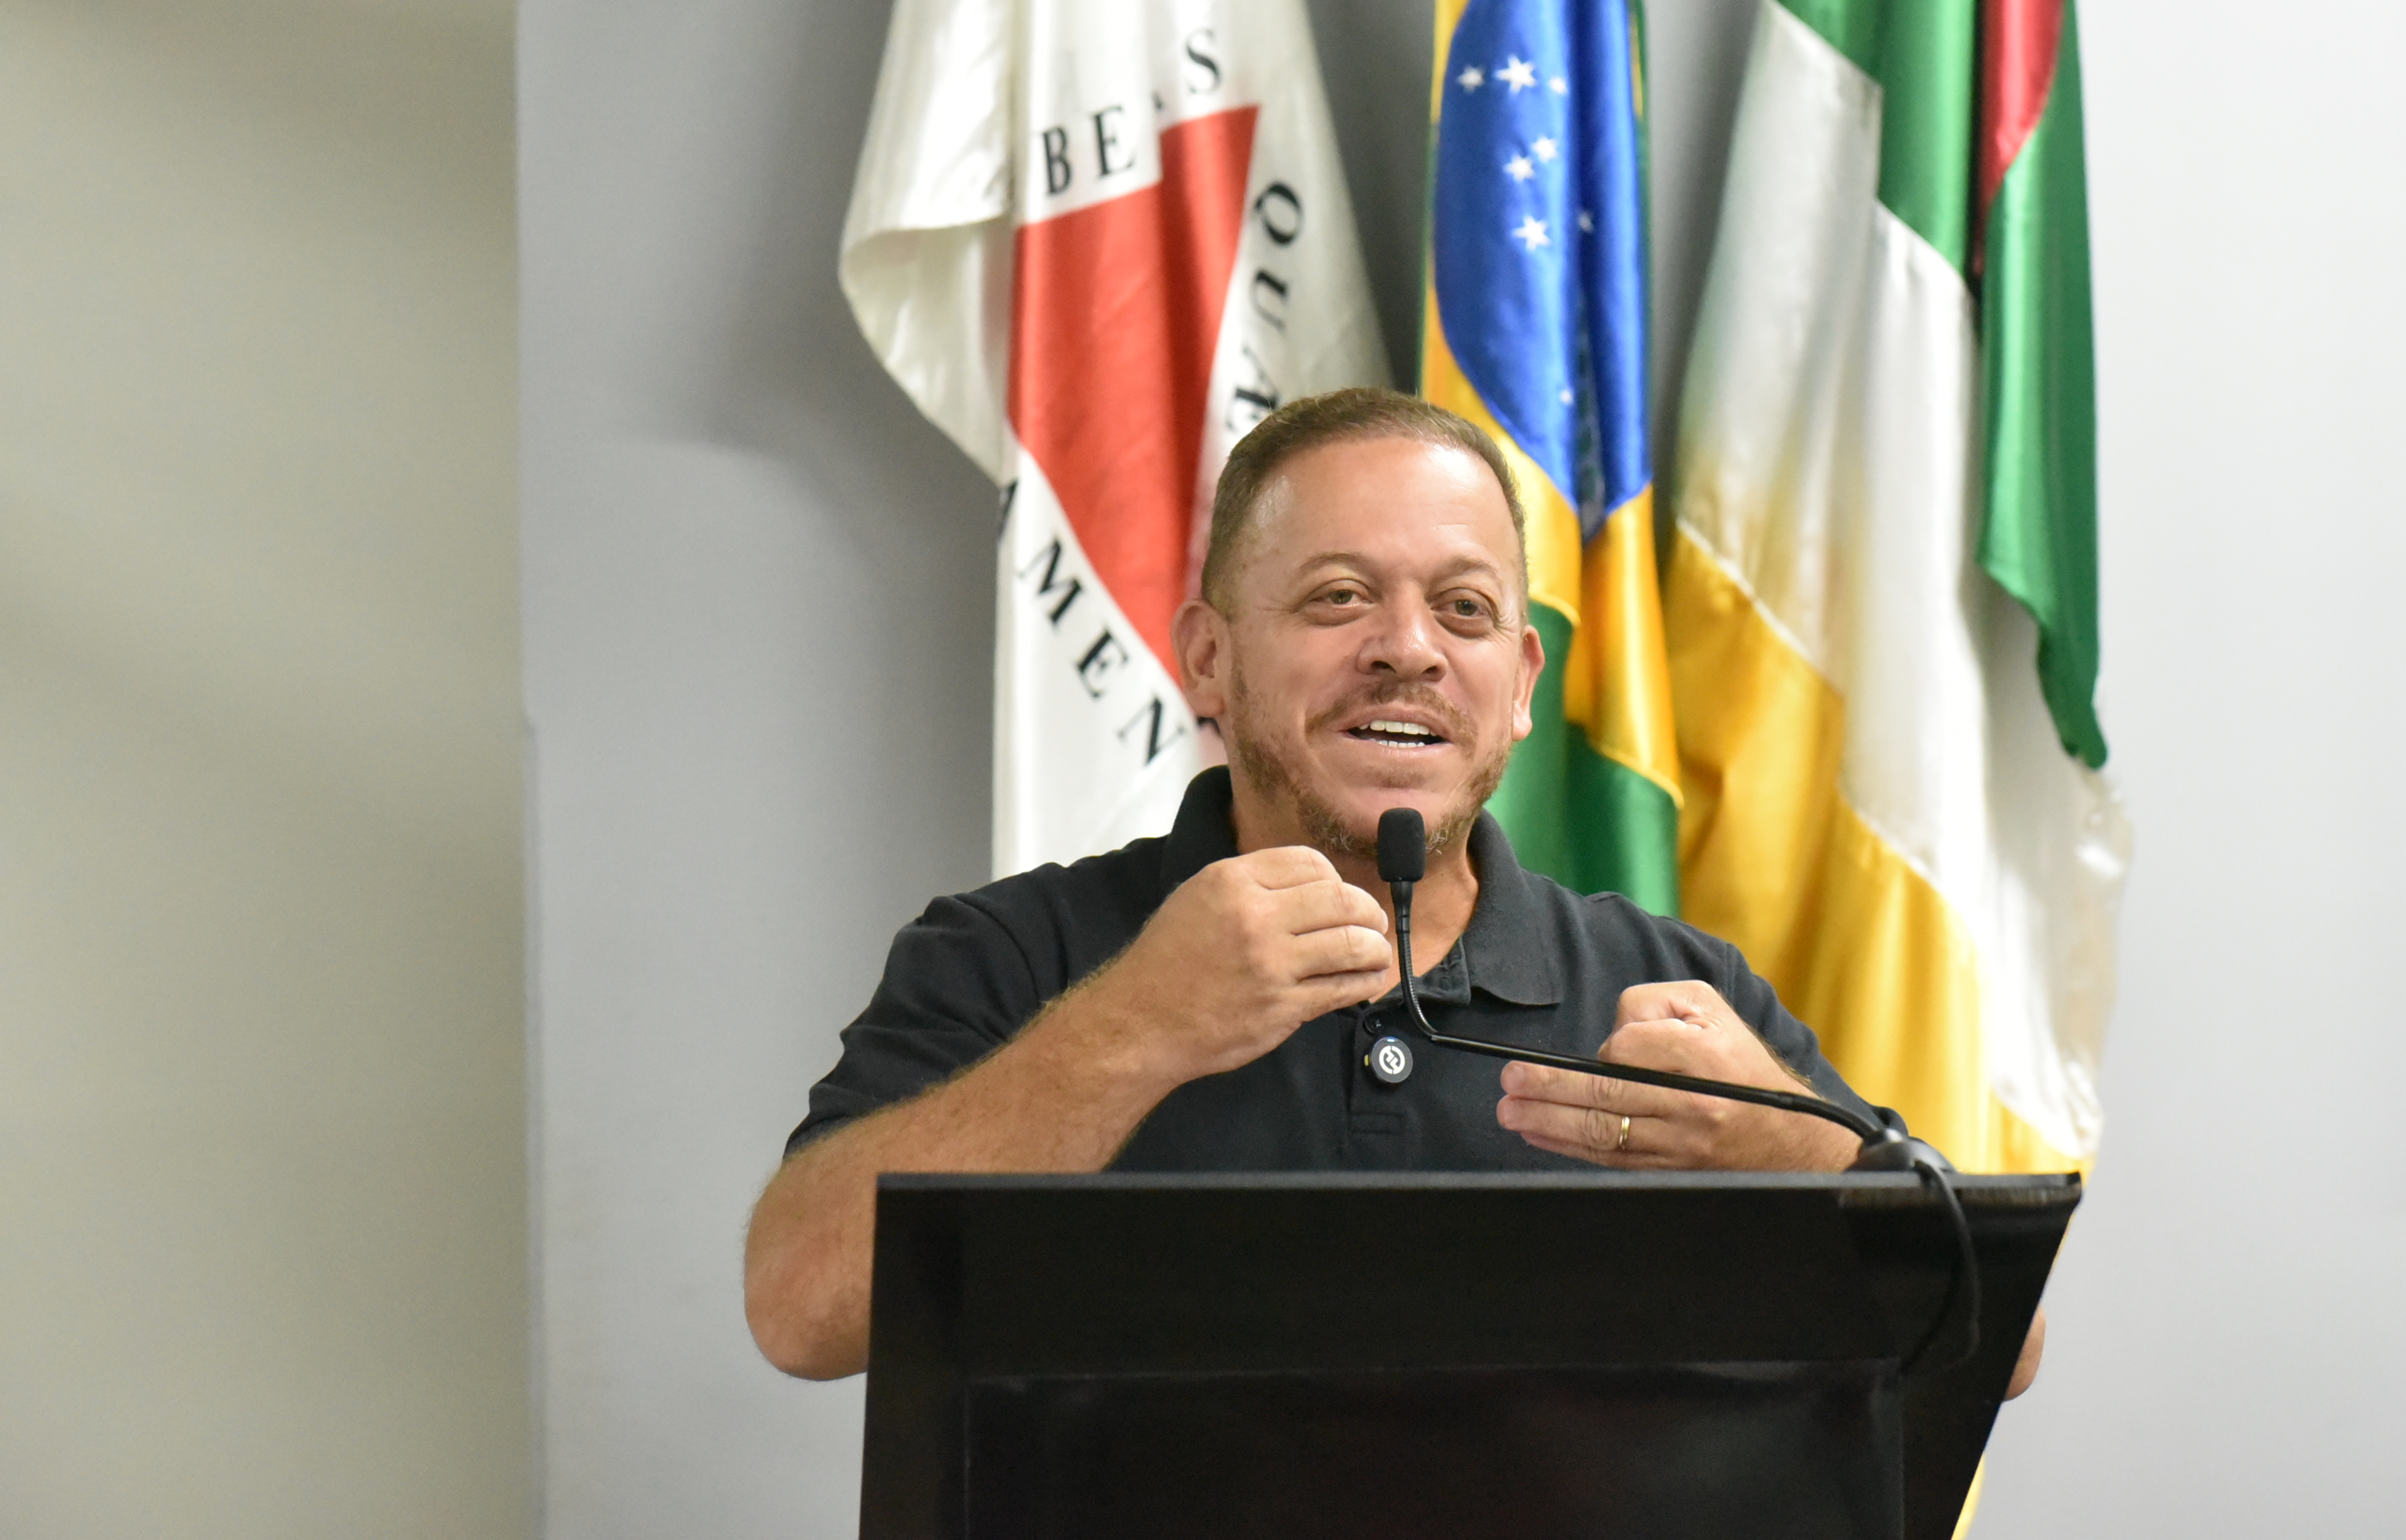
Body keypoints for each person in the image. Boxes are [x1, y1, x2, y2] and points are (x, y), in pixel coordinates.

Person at [742, 388, 2046, 1396]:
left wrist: (1794, 1155)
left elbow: (2005, 1339)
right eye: (1340, 597)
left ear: (1521, 685)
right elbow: (799, 1305)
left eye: (1464, 610)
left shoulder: (1669, 992)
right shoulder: (1011, 953)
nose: (1407, 650)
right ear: (1209, 658)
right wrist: (1138, 1024)